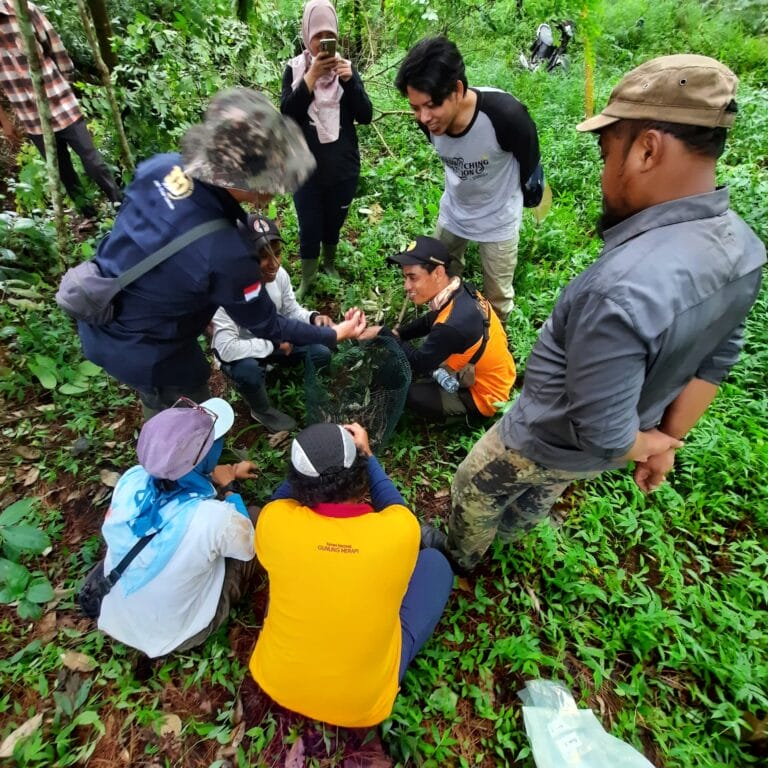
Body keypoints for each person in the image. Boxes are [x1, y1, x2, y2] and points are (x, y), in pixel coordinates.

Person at [427, 54, 766, 574]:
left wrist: (647, 445)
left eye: (609, 153)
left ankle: (461, 557)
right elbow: (717, 359)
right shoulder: (744, 250)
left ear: (647, 149)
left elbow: (604, 431)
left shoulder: (620, 288)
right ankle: (515, 535)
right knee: (542, 491)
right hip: (601, 451)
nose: (605, 172)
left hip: (543, 434)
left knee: (473, 486)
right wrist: (665, 442)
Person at [76, 88, 366, 417]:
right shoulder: (228, 254)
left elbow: (140, 234)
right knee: (184, 405)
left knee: (178, 384)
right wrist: (332, 333)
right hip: (142, 348)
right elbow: (269, 324)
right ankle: (183, 461)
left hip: (101, 309)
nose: (274, 189)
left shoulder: (161, 168)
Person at [249, 422, 453, 727]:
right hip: (363, 706)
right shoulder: (398, 531)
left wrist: (308, 462)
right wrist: (367, 455)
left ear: (298, 483)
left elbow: (281, 499)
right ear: (360, 478)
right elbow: (395, 506)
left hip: (276, 680)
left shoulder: (273, 523)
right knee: (436, 564)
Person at [97, 397, 260, 657]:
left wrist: (217, 472)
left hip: (118, 613)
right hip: (177, 633)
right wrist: (229, 487)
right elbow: (248, 547)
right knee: (254, 518)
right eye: (214, 443)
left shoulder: (132, 479)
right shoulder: (213, 519)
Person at [395, 36, 543, 321]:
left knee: (497, 298)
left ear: (458, 90)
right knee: (439, 274)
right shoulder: (430, 123)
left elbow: (530, 165)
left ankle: (491, 347)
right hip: (455, 213)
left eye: (431, 105)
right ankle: (448, 327)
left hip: (498, 219)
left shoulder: (506, 117)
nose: (424, 118)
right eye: (415, 108)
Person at [361, 236, 516, 421]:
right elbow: (429, 321)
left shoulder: (450, 327)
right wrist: (400, 334)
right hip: (502, 371)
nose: (406, 286)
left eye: (413, 277)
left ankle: (465, 413)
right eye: (405, 277)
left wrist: (383, 334)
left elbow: (419, 363)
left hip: (487, 396)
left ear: (438, 273)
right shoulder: (461, 290)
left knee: (408, 392)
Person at [281, 0, 373, 299]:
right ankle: (308, 278)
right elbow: (286, 115)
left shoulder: (347, 70)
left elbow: (365, 115)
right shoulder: (294, 70)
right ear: (306, 34)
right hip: (304, 169)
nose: (322, 41)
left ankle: (329, 263)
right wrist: (310, 77)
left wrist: (351, 81)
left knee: (334, 221)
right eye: (316, 34)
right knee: (309, 226)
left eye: (327, 34)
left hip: (342, 167)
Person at [211, 214, 333, 433]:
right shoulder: (226, 291)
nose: (274, 263)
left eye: (277, 254)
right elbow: (226, 348)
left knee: (321, 352)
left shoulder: (279, 275)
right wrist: (272, 346)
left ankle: (294, 379)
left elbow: (290, 310)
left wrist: (313, 318)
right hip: (244, 351)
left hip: (276, 339)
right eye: (263, 257)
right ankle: (261, 409)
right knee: (247, 370)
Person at [0, 0, 122, 215]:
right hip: (30, 115)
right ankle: (89, 215)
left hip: (59, 101)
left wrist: (66, 83)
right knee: (61, 170)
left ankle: (119, 204)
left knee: (92, 160)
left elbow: (54, 46)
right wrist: (5, 121)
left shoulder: (22, 9)